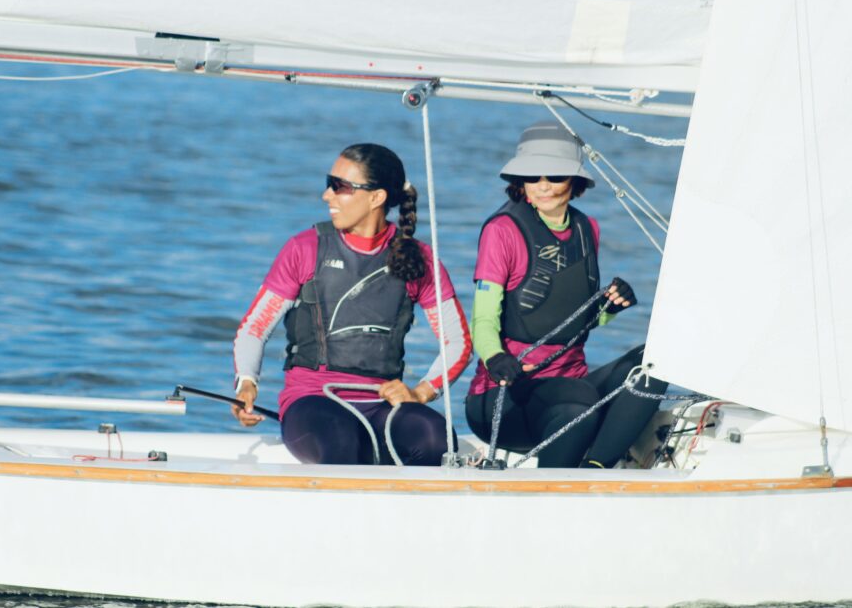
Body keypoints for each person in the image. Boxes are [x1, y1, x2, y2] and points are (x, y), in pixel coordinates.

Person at [231, 143, 471, 465]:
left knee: (435, 438)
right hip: (312, 401)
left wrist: (420, 392)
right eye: (328, 183)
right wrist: (247, 383)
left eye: (339, 186)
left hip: (381, 405)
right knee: (342, 439)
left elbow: (458, 342)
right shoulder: (304, 249)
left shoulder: (419, 260)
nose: (326, 195)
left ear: (376, 197)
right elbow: (255, 328)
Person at [465, 122, 666, 468]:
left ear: (575, 181)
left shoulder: (588, 228)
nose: (543, 186)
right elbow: (482, 319)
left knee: (658, 359)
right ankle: (557, 486)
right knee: (577, 402)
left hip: (571, 388)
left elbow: (571, 318)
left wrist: (610, 306)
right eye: (532, 176)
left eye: (555, 176)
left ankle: (594, 470)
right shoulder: (502, 231)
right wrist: (494, 357)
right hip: (507, 398)